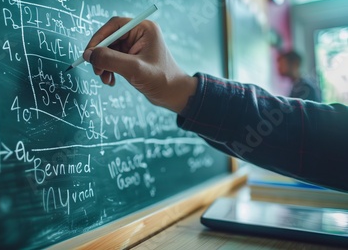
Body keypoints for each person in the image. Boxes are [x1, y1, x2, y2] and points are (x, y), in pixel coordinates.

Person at [82, 17, 348, 193]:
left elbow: (302, 134)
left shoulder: (305, 87)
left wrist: (179, 88)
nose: (276, 65)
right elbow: (308, 135)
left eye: (281, 61)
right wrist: (180, 89)